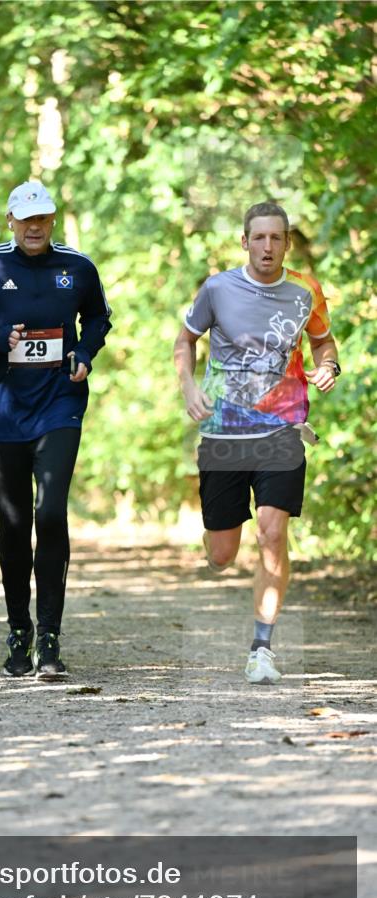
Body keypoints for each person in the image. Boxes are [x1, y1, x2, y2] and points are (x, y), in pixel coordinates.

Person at [0, 180, 111, 681]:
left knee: (51, 510)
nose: (35, 227)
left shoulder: (77, 267)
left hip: (60, 406)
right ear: (11, 221)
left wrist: (83, 353)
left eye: (43, 218)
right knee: (15, 523)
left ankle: (51, 637)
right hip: (4, 413)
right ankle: (20, 631)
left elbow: (99, 320)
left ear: (53, 221)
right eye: (26, 219)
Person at [174, 202, 340, 685]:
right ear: (244, 242)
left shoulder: (306, 290)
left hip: (282, 430)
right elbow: (185, 340)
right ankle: (215, 537)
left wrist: (327, 366)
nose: (268, 246)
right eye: (259, 238)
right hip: (224, 433)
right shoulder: (218, 288)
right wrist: (189, 386)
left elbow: (324, 343)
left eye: (277, 238)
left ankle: (262, 647)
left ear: (287, 243)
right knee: (222, 555)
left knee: (272, 532)